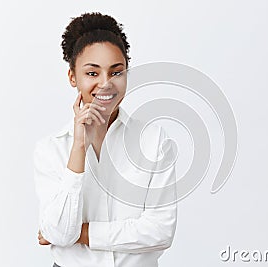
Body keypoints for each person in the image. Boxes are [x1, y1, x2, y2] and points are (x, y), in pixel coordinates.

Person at [33, 12, 178, 267]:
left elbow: (160, 232)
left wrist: (80, 233)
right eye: (92, 73)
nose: (106, 84)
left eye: (116, 72)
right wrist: (79, 147)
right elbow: (58, 232)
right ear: (72, 77)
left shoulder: (154, 141)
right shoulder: (51, 149)